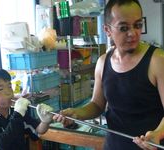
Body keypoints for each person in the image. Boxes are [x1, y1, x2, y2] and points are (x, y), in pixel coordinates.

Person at [53, 0, 164, 150]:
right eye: (124, 28)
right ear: (107, 30)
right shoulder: (103, 63)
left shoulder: (157, 61)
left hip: (150, 146)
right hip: (113, 145)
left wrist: (158, 133)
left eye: (137, 25)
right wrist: (77, 113)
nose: (133, 33)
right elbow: (97, 105)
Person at [0, 68, 53, 150]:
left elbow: (38, 130)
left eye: (9, 86)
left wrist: (45, 121)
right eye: (0, 89)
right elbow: (1, 144)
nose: (8, 92)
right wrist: (18, 114)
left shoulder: (16, 111)